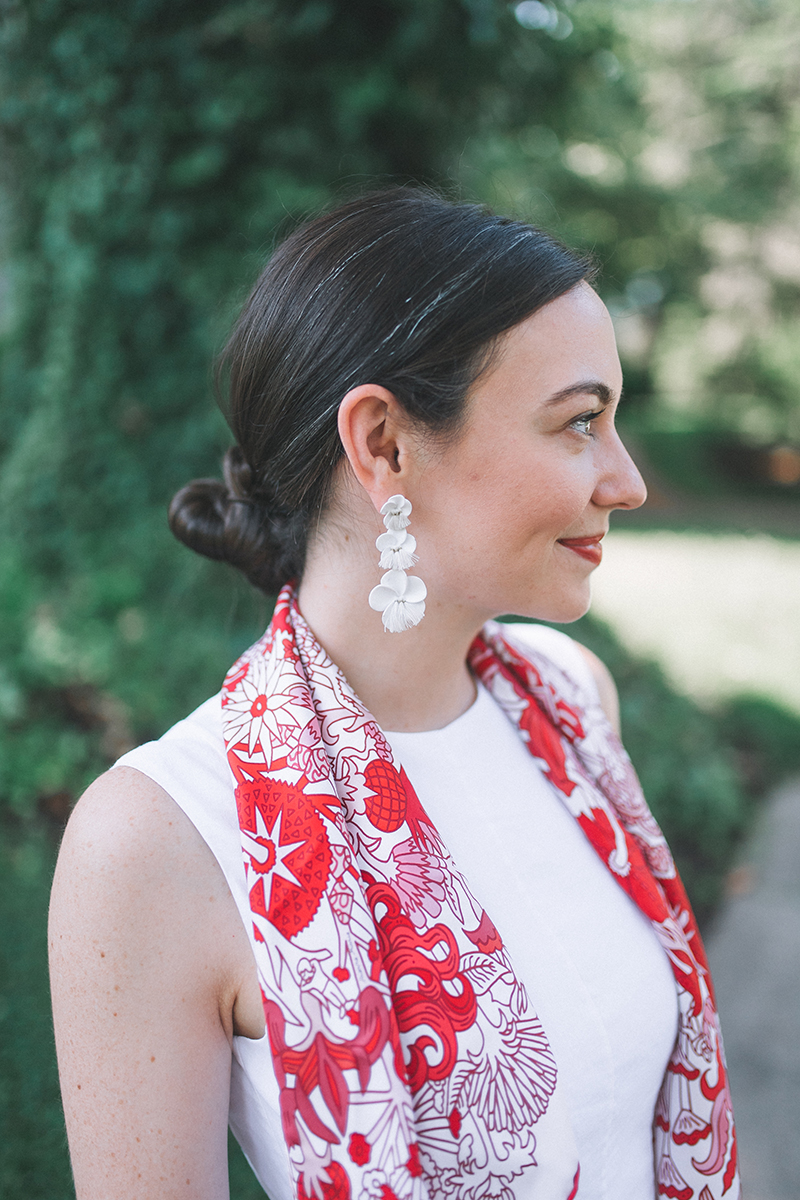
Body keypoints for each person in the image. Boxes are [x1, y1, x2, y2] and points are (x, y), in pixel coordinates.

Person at [49, 189, 739, 1200]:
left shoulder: (571, 705)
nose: (625, 480)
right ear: (381, 445)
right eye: (578, 422)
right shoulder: (162, 836)